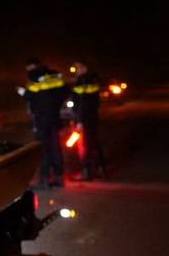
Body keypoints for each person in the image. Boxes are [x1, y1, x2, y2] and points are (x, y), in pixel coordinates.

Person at [19, 58, 67, 187]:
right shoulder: (54, 75)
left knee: (42, 148)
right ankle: (58, 177)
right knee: (55, 146)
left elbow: (29, 96)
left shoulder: (34, 76)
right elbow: (64, 92)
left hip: (41, 118)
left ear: (32, 66)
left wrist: (23, 92)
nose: (27, 71)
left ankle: (44, 178)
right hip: (54, 117)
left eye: (28, 68)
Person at [71, 61, 105, 180]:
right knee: (94, 143)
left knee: (85, 145)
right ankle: (100, 169)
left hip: (84, 118)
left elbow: (82, 103)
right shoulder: (93, 80)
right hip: (93, 116)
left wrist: (79, 121)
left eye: (78, 68)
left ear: (85, 68)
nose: (77, 70)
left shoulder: (82, 81)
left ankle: (86, 172)